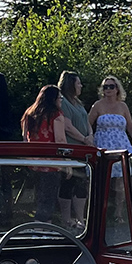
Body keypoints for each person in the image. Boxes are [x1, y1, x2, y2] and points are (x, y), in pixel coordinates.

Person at [88, 75, 132, 222]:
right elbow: (87, 123)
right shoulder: (97, 105)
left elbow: (130, 126)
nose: (108, 89)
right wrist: (89, 139)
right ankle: (99, 213)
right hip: (103, 145)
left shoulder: (123, 106)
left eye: (111, 86)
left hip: (120, 145)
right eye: (105, 87)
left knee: (120, 182)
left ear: (117, 89)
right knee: (101, 180)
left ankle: (118, 214)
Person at [21, 85, 71, 224]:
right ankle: (42, 227)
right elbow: (60, 140)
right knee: (49, 197)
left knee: (39, 196)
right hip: (51, 163)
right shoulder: (56, 114)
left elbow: (25, 138)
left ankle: (38, 225)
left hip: (33, 162)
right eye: (59, 97)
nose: (60, 100)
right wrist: (67, 162)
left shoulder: (29, 113)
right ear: (53, 99)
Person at [57, 71, 92, 230]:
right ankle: (66, 218)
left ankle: (80, 218)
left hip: (83, 150)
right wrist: (83, 139)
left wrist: (90, 135)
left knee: (81, 184)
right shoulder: (63, 102)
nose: (81, 86)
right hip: (71, 149)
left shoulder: (78, 102)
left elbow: (86, 120)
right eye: (78, 83)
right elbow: (67, 126)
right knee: (68, 182)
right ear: (71, 85)